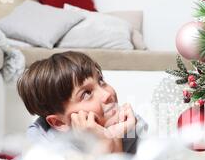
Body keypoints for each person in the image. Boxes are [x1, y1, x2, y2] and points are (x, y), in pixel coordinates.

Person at [17, 51, 147, 154]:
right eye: (86, 94)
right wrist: (104, 144)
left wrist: (115, 137)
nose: (107, 94)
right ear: (59, 122)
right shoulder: (42, 144)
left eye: (101, 81)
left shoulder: (128, 124)